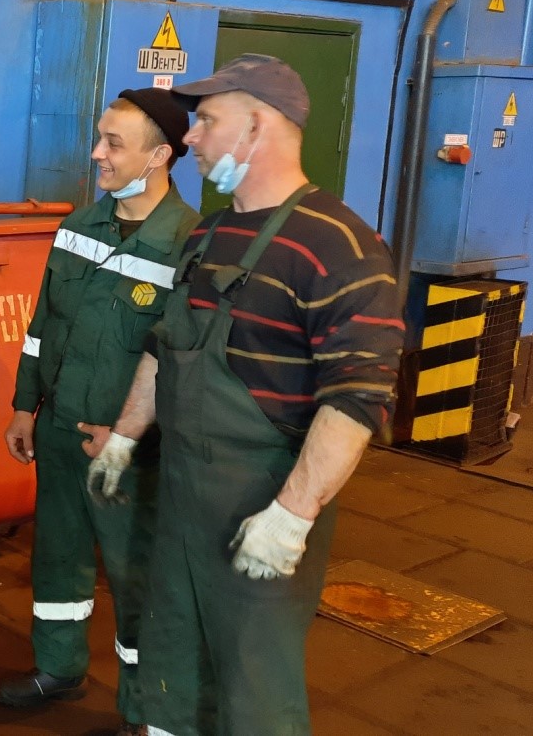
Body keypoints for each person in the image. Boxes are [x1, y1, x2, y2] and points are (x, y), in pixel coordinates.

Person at [93, 55, 403, 736]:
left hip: (260, 500)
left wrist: (291, 515)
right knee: (172, 653)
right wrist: (123, 436)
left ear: (258, 125)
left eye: (206, 120)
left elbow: (357, 397)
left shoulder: (340, 246)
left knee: (252, 678)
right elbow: (165, 345)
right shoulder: (208, 234)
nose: (190, 137)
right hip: (181, 492)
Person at [0, 89, 200, 736]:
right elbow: (41, 328)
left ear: (159, 156)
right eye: (99, 138)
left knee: (137, 579)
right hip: (59, 430)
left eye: (113, 142)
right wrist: (24, 405)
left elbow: (183, 365)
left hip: (129, 452)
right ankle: (58, 667)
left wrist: (131, 432)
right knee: (57, 556)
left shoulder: (188, 245)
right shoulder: (79, 228)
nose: (95, 153)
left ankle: (144, 710)